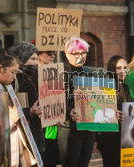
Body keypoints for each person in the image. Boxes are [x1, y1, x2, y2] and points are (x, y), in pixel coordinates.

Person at [0, 50, 34, 167]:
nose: (14, 77)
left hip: (13, 150)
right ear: (0, 68)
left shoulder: (6, 88)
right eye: (12, 72)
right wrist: (11, 120)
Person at [58, 37, 96, 167]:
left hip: (88, 128)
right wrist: (69, 112)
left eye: (83, 52)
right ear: (67, 54)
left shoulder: (89, 73)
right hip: (69, 128)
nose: (80, 56)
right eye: (76, 53)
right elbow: (54, 100)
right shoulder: (60, 73)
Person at [7, 41, 46, 164]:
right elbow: (11, 109)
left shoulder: (36, 76)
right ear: (22, 59)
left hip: (37, 134)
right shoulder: (12, 80)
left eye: (37, 59)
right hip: (21, 140)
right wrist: (29, 112)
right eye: (32, 59)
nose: (35, 63)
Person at [97, 55, 132, 167]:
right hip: (109, 139)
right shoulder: (105, 86)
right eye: (119, 68)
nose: (123, 71)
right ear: (112, 69)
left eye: (125, 67)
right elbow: (99, 111)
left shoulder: (125, 87)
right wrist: (114, 113)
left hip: (124, 137)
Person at [38, 50, 61, 167]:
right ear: (39, 54)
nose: (52, 56)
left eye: (54, 54)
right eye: (49, 53)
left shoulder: (56, 72)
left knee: (51, 155)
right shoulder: (33, 73)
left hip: (53, 121)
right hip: (39, 122)